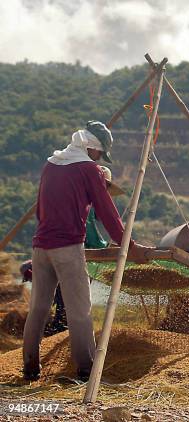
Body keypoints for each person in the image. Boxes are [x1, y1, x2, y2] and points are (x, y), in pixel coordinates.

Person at [22, 121, 150, 382]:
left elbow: (39, 211)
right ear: (91, 147)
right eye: (100, 153)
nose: (99, 157)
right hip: (67, 247)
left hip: (40, 246)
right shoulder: (89, 169)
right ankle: (86, 370)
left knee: (38, 308)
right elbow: (107, 212)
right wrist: (130, 246)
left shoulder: (51, 164)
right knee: (79, 309)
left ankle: (30, 368)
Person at [19, 165, 125, 336]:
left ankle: (54, 334)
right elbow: (91, 238)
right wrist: (106, 247)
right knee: (69, 302)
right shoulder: (87, 206)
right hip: (72, 254)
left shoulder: (77, 200)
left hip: (53, 249)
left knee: (60, 300)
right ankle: (59, 335)